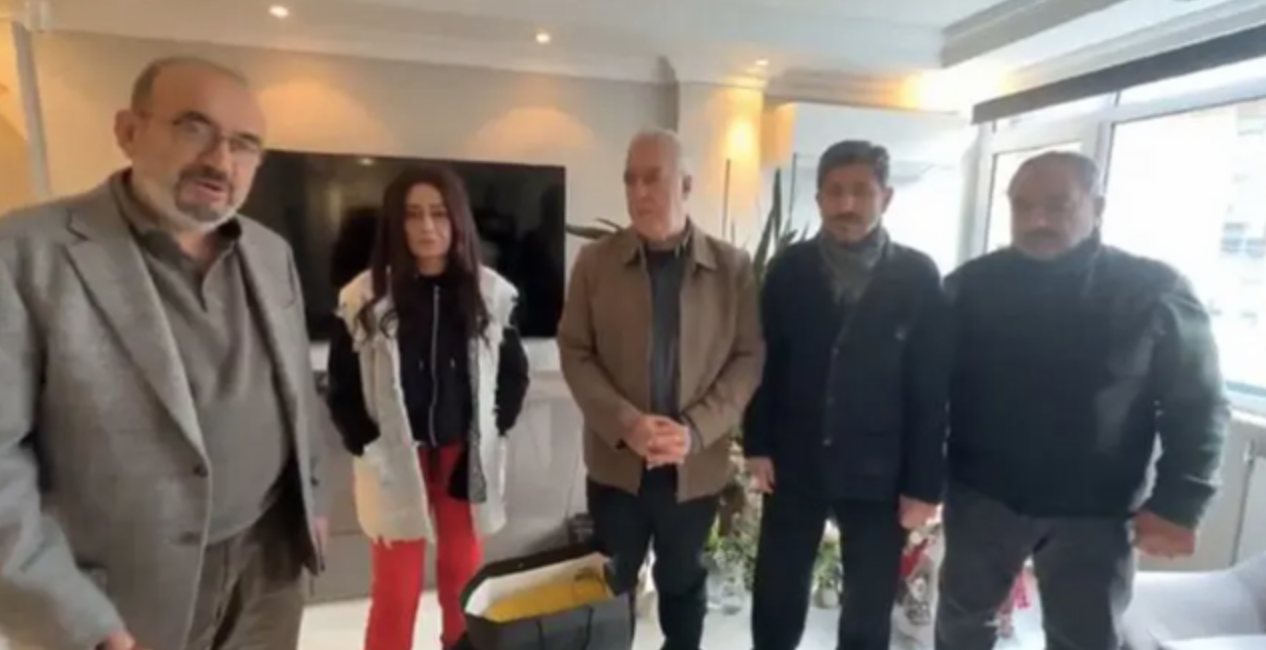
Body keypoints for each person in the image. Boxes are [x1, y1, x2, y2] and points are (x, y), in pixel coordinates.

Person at [0, 57, 330, 650]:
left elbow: (296, 396)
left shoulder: (270, 252)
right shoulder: (23, 254)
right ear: (129, 131)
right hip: (123, 597)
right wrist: (74, 618)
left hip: (270, 568)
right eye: (194, 127)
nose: (220, 161)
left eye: (244, 144)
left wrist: (314, 498)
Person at [935, 151, 1229, 650]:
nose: (1037, 220)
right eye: (1022, 206)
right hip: (983, 498)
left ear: (1098, 207)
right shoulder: (970, 286)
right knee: (962, 625)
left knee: (1084, 637)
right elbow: (928, 388)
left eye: (1058, 205)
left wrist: (1180, 503)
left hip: (1095, 512)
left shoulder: (1153, 290)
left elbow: (1198, 403)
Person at [557, 128, 764, 650]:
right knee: (609, 589)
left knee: (683, 587)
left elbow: (748, 358)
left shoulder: (732, 268)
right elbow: (575, 351)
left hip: (693, 472)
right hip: (617, 467)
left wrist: (694, 431)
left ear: (687, 185)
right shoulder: (595, 263)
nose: (639, 192)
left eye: (653, 178)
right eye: (630, 180)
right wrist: (626, 422)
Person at [745, 140, 951, 650]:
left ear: (887, 197)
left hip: (881, 472)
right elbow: (764, 362)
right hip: (795, 461)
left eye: (861, 191)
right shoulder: (789, 270)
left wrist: (925, 485)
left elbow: (930, 385)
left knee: (868, 606)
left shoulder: (918, 276)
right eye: (835, 192)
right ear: (818, 199)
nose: (847, 204)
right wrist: (757, 444)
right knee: (776, 594)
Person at [325, 165, 530, 650]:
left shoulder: (489, 294)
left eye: (438, 213)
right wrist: (370, 445)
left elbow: (513, 376)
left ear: (457, 220)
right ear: (395, 223)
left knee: (464, 582)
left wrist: (488, 438)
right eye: (412, 214)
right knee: (396, 590)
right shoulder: (363, 298)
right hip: (395, 459)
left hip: (463, 456)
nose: (426, 226)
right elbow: (342, 386)